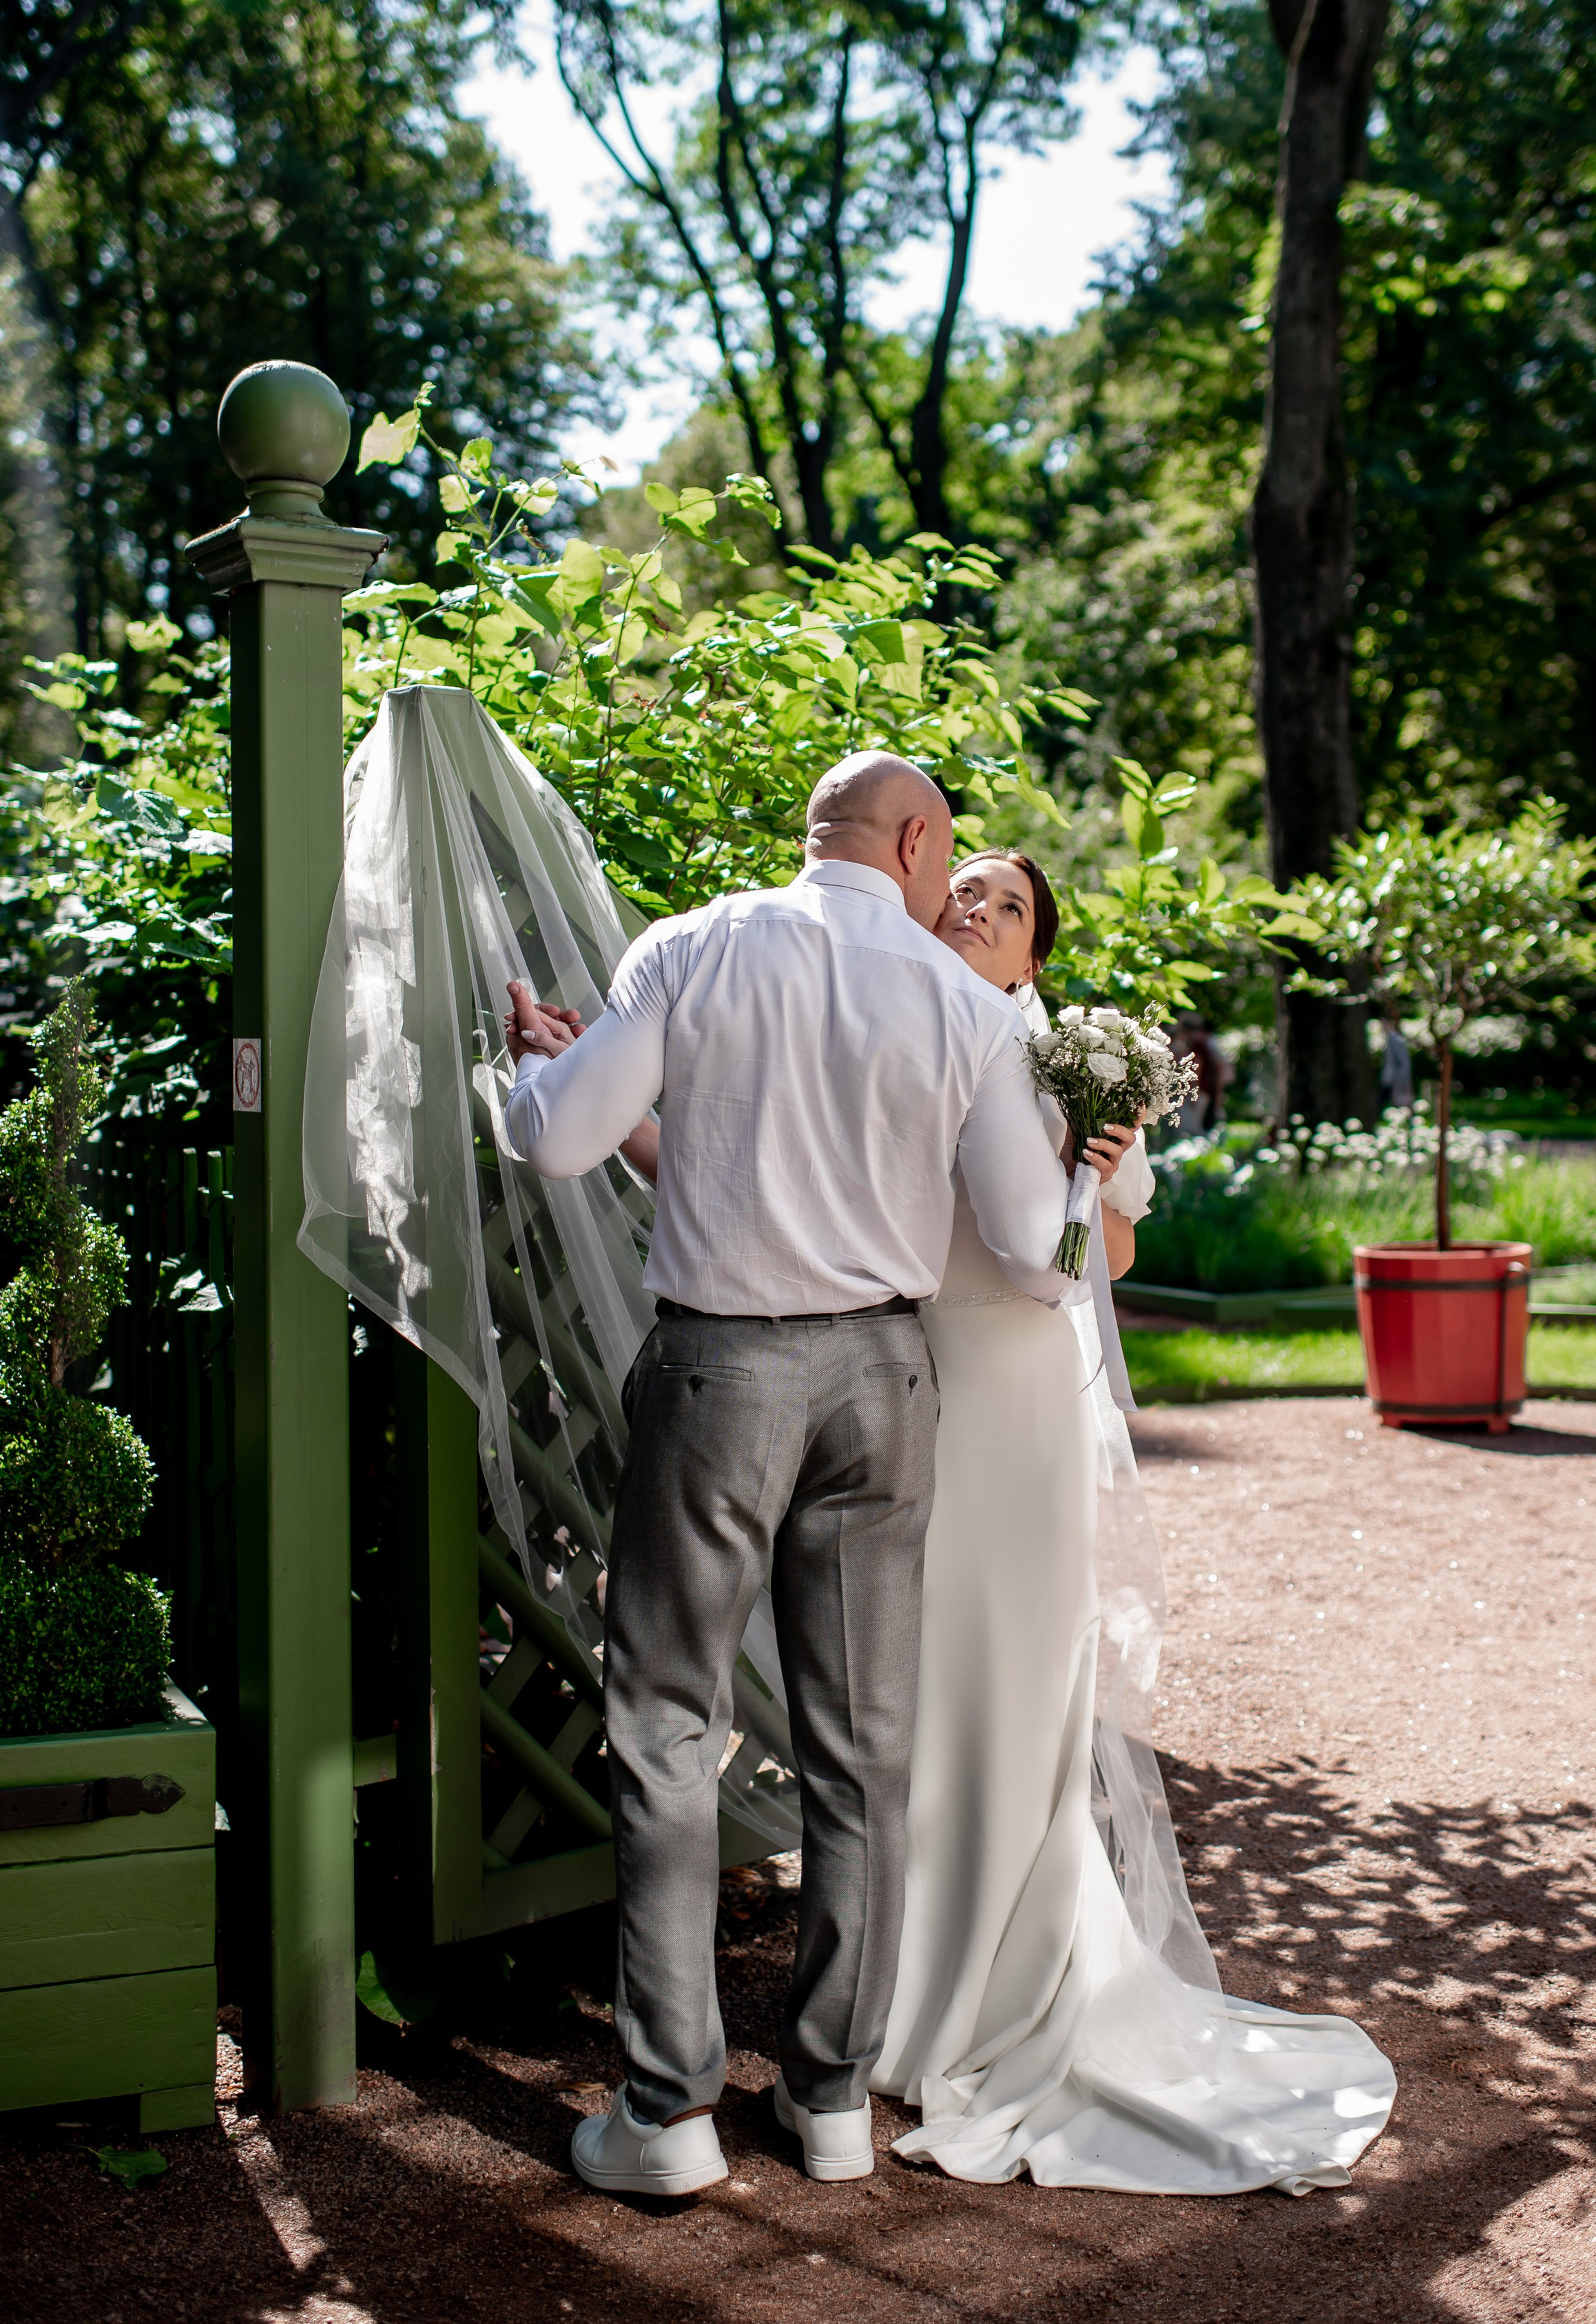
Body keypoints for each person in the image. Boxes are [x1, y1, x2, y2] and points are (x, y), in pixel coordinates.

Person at [500, 753, 1071, 2198]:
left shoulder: (695, 945)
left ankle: (668, 2115)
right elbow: (1021, 1230)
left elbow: (569, 1140)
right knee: (861, 1741)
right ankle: (829, 2105)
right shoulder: (960, 1004)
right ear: (917, 840)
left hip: (720, 1371)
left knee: (669, 1730)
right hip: (882, 1380)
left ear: (818, 834)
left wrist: (529, 1067)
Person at [866, 849, 1396, 2192]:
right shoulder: (903, 1019)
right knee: (928, 1680)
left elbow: (1100, 1262)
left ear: (1034, 952)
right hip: (921, 1372)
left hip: (1018, 1392)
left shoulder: (1057, 1059)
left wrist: (1089, 1169)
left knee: (1012, 1675)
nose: (975, 907)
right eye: (963, 888)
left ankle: (1006, 1980)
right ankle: (913, 1972)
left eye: (1006, 904)